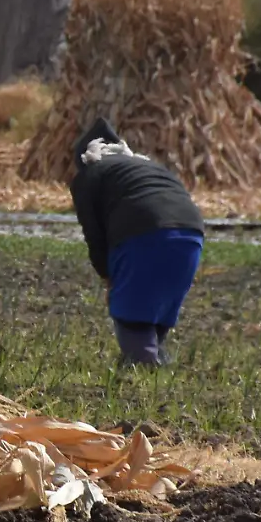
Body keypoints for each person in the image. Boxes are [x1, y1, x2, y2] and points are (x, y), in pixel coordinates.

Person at [69, 118, 205, 367]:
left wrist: (109, 278)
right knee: (160, 304)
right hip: (191, 232)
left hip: (143, 228)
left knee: (129, 310)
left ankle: (141, 364)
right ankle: (154, 358)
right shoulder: (144, 166)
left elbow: (95, 236)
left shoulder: (90, 176)